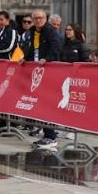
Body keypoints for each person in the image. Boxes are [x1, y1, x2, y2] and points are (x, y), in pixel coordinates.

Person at [19, 9, 63, 148]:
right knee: (40, 104)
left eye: (41, 18)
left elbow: (56, 47)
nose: (38, 20)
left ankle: (51, 136)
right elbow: (33, 48)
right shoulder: (33, 31)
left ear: (45, 18)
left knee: (47, 103)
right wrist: (25, 58)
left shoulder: (50, 31)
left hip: (49, 70)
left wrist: (47, 59)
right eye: (36, 18)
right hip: (37, 70)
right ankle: (46, 134)